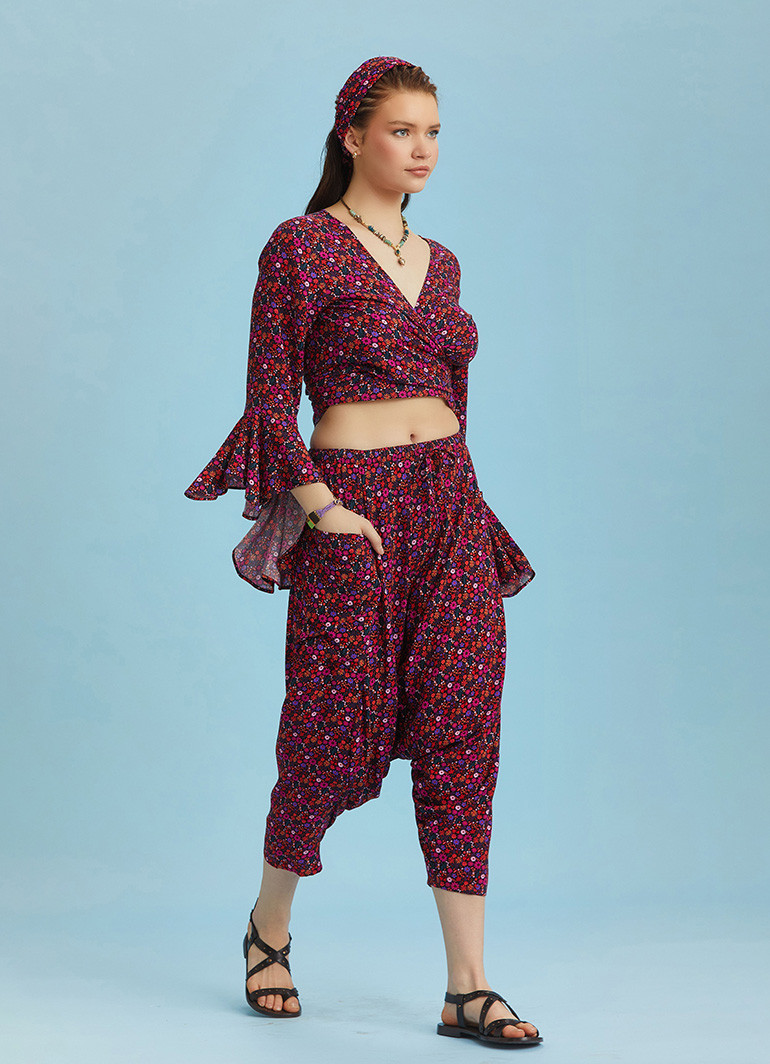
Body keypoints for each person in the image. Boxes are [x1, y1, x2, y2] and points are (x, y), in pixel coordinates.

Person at [184, 55, 541, 1048]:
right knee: (328, 727)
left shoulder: (444, 262)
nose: (422, 150)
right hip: (355, 507)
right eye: (401, 131)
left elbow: (455, 399)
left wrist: (461, 502)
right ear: (352, 137)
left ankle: (467, 985)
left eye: (433, 133)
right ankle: (268, 926)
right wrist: (321, 508)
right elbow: (268, 396)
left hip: (450, 503)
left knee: (464, 727)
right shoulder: (299, 247)